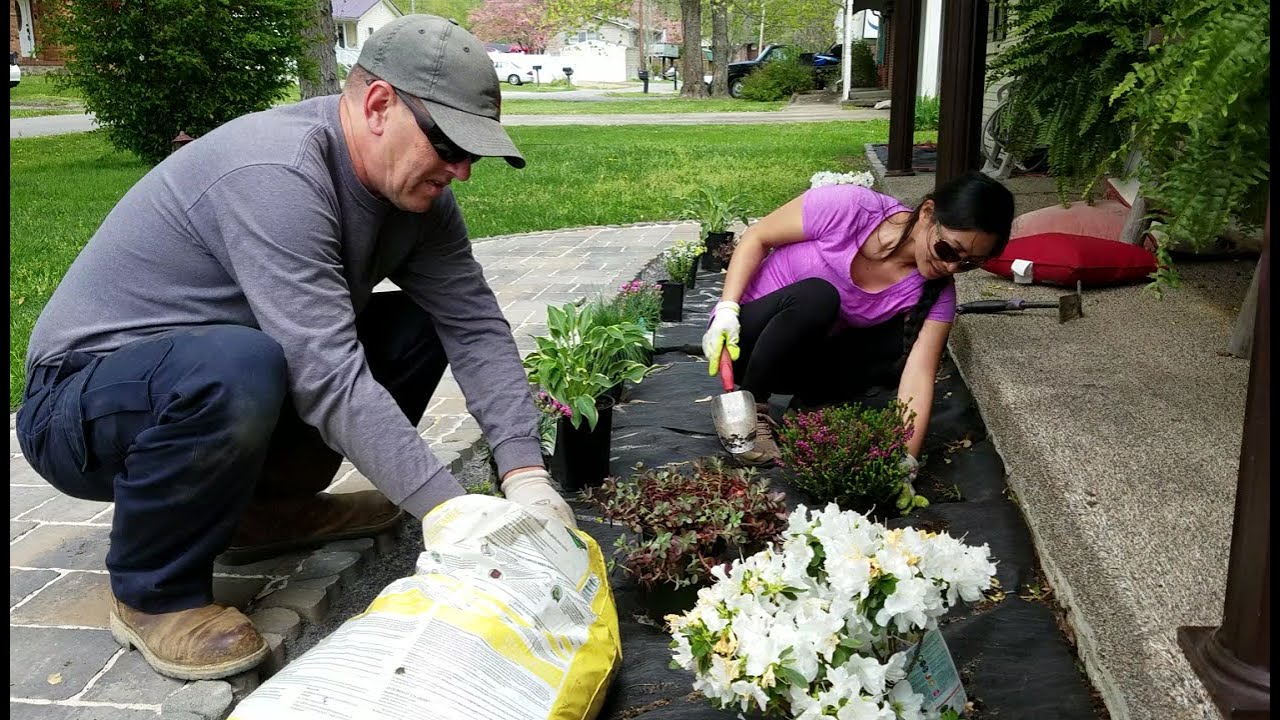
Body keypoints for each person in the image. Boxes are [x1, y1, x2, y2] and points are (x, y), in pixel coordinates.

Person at [15, 16, 575, 681]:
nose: (462, 172)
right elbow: (327, 373)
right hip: (80, 403)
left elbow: (475, 324)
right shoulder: (277, 171)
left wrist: (525, 475)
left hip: (205, 376)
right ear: (377, 105)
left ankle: (266, 515)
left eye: (473, 154)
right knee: (241, 367)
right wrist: (455, 519)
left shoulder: (418, 202)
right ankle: (152, 591)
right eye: (450, 145)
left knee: (414, 328)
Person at [701, 171, 1015, 469]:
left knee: (898, 340)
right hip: (745, 340)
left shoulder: (936, 293)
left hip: (799, 359)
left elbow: (918, 376)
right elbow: (757, 236)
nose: (951, 268)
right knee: (819, 296)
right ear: (927, 213)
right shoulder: (852, 208)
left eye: (968, 264)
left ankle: (809, 407)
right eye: (948, 250)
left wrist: (907, 460)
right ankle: (752, 408)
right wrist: (727, 310)